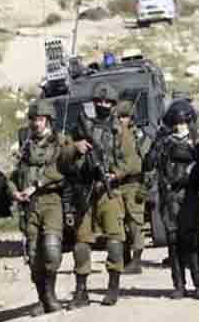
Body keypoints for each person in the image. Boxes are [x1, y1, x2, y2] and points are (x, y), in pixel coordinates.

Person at [60, 83, 142, 307]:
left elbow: (134, 162)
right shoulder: (80, 127)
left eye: (107, 102)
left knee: (115, 240)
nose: (103, 105)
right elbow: (62, 159)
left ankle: (113, 287)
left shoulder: (120, 131)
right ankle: (81, 291)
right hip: (84, 190)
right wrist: (75, 147)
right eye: (99, 101)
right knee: (81, 242)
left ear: (113, 104)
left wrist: (116, 174)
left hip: (109, 191)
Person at [9, 101, 68, 315]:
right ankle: (42, 299)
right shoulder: (26, 145)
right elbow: (14, 175)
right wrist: (14, 191)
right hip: (29, 205)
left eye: (41, 119)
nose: (37, 124)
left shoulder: (60, 142)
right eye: (34, 120)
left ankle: (50, 295)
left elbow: (62, 170)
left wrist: (36, 185)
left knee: (51, 250)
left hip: (51, 201)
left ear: (48, 121)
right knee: (34, 256)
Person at [145, 99, 199, 299]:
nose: (181, 126)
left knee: (192, 239)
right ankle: (179, 285)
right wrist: (157, 142)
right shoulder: (164, 141)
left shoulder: (196, 141)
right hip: (170, 196)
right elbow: (148, 164)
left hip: (189, 195)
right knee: (173, 241)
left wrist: (196, 146)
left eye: (184, 122)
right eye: (177, 122)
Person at [115, 100, 149, 275]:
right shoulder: (114, 135)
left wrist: (145, 186)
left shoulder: (139, 136)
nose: (122, 120)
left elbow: (146, 163)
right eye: (120, 117)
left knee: (136, 223)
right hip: (117, 184)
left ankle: (136, 261)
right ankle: (125, 258)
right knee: (119, 222)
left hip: (134, 183)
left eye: (125, 117)